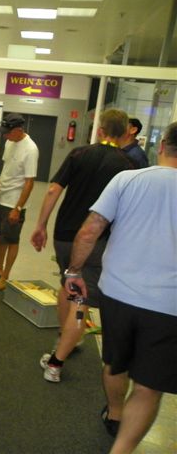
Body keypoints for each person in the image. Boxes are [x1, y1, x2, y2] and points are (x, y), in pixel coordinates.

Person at [63, 122, 177, 453]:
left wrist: (74, 271)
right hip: (169, 304)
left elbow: (90, 230)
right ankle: (121, 449)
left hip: (118, 292)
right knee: (148, 387)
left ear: (162, 146)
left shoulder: (128, 179)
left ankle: (114, 413)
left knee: (115, 362)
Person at [30, 108, 136, 382]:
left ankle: (65, 338)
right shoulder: (127, 165)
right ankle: (57, 362)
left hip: (64, 236)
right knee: (81, 297)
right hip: (96, 241)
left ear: (100, 130)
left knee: (66, 284)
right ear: (126, 133)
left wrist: (40, 225)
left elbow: (53, 189)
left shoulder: (79, 154)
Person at [0, 113, 38, 291]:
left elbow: (29, 182)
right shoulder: (10, 142)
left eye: (7, 132)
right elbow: (6, 169)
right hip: (2, 199)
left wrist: (18, 208)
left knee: (11, 240)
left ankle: (5, 276)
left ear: (18, 130)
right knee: (0, 236)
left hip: (14, 203)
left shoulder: (31, 149)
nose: (5, 136)